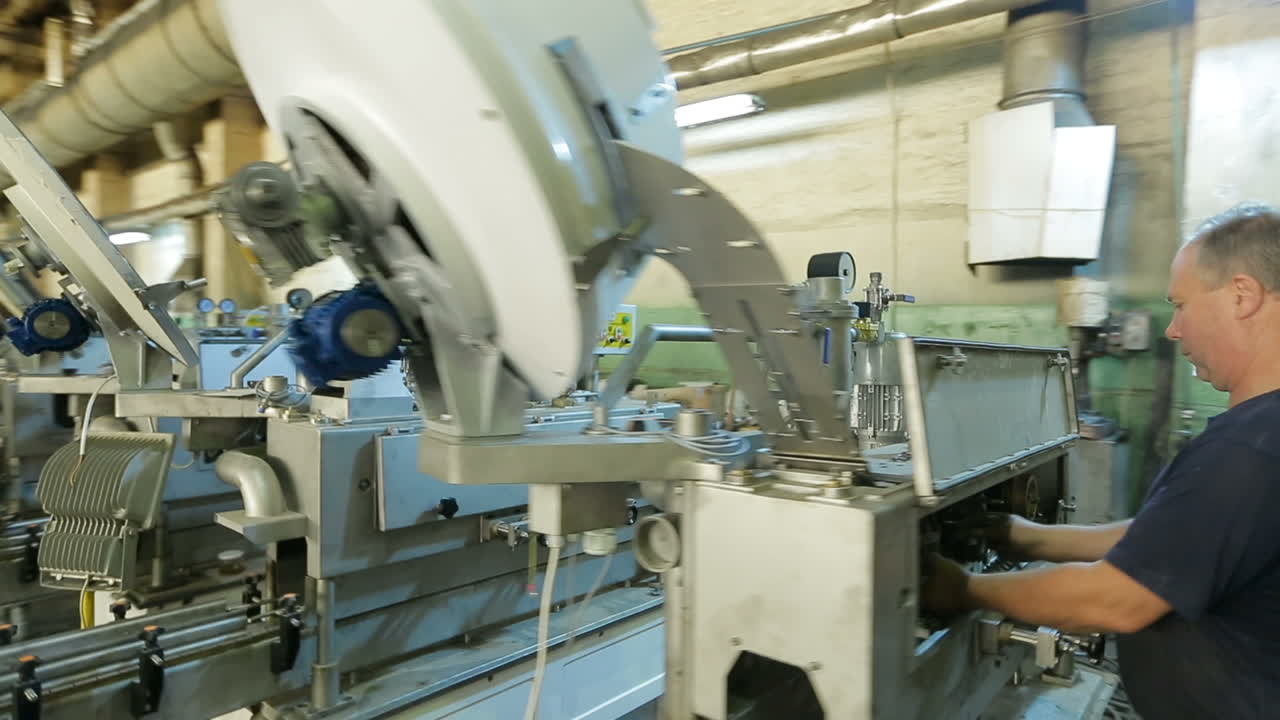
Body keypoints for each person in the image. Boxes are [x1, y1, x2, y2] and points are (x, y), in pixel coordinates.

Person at [923, 204, 1280, 719]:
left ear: (1242, 296)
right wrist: (1026, 535)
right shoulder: (1260, 434)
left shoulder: (1250, 447)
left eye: (1180, 306)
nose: (1174, 330)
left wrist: (965, 588)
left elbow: (1114, 600)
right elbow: (1173, 541)